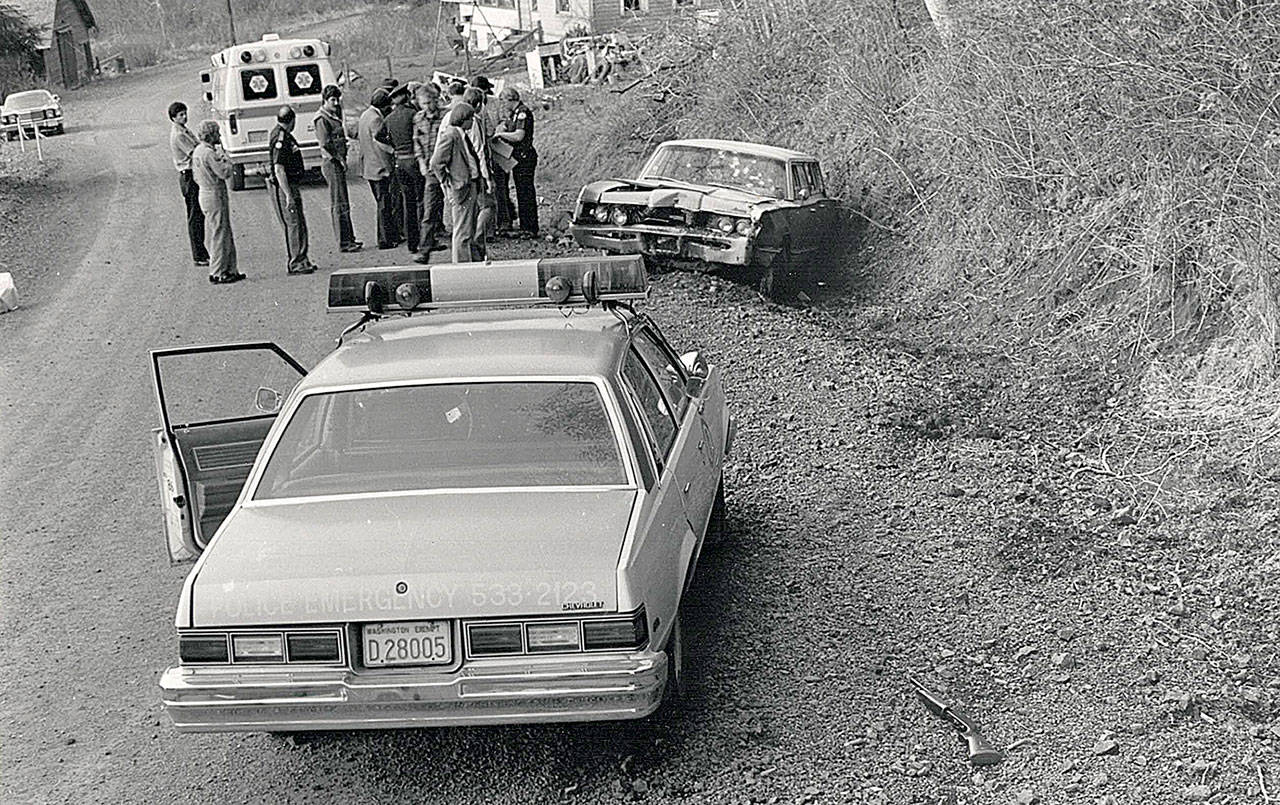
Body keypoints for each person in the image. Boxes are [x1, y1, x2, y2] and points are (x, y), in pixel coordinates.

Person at [429, 102, 483, 263]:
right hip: (461, 187)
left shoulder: (460, 134)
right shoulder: (451, 135)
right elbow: (435, 163)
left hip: (469, 184)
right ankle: (461, 265)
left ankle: (472, 261)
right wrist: (447, 182)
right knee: (462, 231)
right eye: (471, 118)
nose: (473, 121)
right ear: (463, 119)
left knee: (469, 228)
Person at [267, 105, 316, 275]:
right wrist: (288, 195)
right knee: (293, 223)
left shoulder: (282, 134)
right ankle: (296, 262)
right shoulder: (281, 139)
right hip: (285, 186)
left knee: (299, 223)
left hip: (290, 185)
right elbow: (279, 169)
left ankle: (302, 259)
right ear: (292, 121)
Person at [190, 120, 241, 284]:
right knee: (220, 233)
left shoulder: (198, 151)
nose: (219, 136)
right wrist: (226, 160)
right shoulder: (209, 153)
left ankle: (229, 268)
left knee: (223, 231)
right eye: (216, 133)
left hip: (205, 192)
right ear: (211, 135)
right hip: (214, 193)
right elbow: (224, 173)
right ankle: (218, 271)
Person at [312, 85, 362, 252]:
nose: (335, 102)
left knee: (343, 201)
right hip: (332, 163)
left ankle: (350, 238)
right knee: (339, 202)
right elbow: (326, 144)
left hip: (339, 161)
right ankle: (344, 242)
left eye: (337, 99)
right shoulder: (321, 119)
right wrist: (340, 160)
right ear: (324, 101)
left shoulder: (334, 115)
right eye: (332, 100)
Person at [167, 102, 210, 268]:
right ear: (173, 118)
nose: (184, 117)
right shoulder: (179, 135)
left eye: (185, 113)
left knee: (198, 215)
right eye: (180, 115)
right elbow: (195, 152)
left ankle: (202, 252)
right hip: (188, 175)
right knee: (195, 216)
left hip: (191, 174)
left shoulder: (184, 130)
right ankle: (198, 254)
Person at [359, 87, 400, 249]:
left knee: (381, 202)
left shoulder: (365, 115)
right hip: (379, 168)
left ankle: (388, 236)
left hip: (369, 166)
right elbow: (380, 143)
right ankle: (385, 239)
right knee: (384, 204)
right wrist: (391, 156)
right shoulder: (376, 119)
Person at [384, 83, 423, 255]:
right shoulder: (412, 114)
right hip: (414, 160)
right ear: (406, 97)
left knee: (408, 203)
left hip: (400, 161)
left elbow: (379, 136)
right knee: (421, 200)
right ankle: (425, 238)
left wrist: (393, 147)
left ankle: (411, 242)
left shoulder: (389, 118)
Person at [494, 87, 538, 235]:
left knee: (525, 191)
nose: (502, 104)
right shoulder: (513, 114)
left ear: (509, 99)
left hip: (525, 156)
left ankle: (529, 227)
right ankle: (526, 225)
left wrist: (502, 135)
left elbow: (519, 135)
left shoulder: (522, 113)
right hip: (517, 157)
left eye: (503, 101)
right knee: (521, 191)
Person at [412, 82, 446, 262]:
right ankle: (424, 250)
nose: (426, 107)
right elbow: (416, 141)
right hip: (431, 172)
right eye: (422, 103)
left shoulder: (446, 117)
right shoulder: (418, 119)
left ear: (435, 100)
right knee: (429, 209)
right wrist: (421, 163)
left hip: (447, 169)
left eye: (428, 103)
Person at [462, 87, 495, 258]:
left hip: (463, 171)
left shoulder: (456, 118)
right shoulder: (473, 121)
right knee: (488, 205)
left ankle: (474, 245)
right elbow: (479, 150)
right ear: (478, 104)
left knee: (474, 208)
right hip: (477, 171)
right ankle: (477, 239)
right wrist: (487, 176)